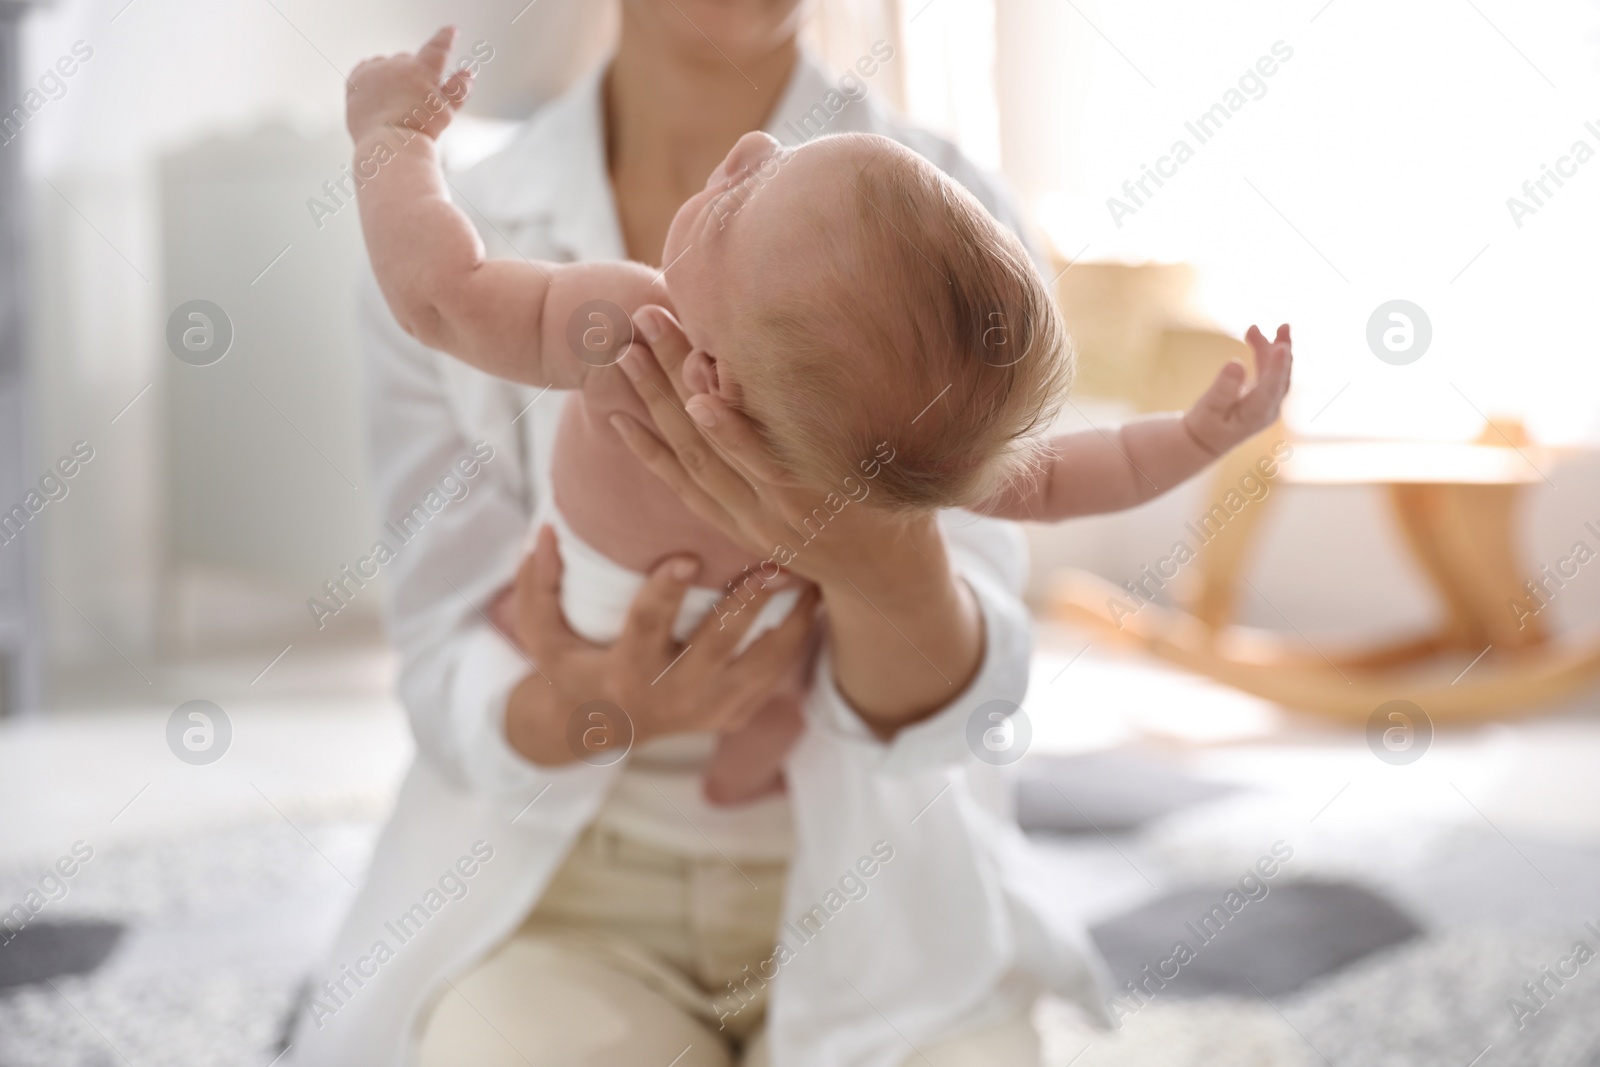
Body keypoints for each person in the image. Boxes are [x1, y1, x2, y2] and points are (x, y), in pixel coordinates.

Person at [287, 3, 1110, 1064]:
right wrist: (592, 708)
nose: (751, 158)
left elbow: (967, 710)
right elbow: (447, 661)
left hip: (872, 887)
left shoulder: (953, 231)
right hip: (566, 903)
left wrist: (884, 567)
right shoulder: (479, 225)